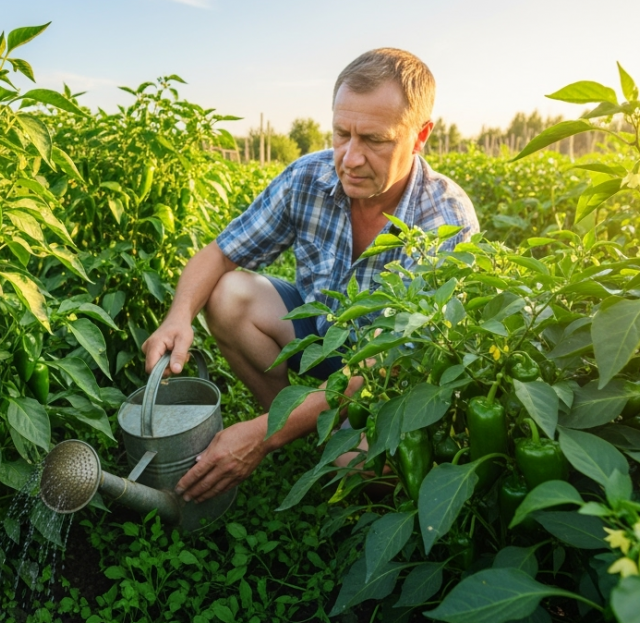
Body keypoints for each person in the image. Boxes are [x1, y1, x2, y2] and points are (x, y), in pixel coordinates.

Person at [141, 47, 480, 503]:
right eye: (342, 133)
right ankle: (306, 429)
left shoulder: (445, 219)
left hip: (386, 377)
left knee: (362, 468)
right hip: (323, 341)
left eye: (375, 140)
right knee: (227, 295)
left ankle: (301, 435)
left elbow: (393, 361)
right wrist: (177, 316)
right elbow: (219, 254)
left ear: (420, 136)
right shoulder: (310, 177)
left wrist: (264, 434)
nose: (351, 158)